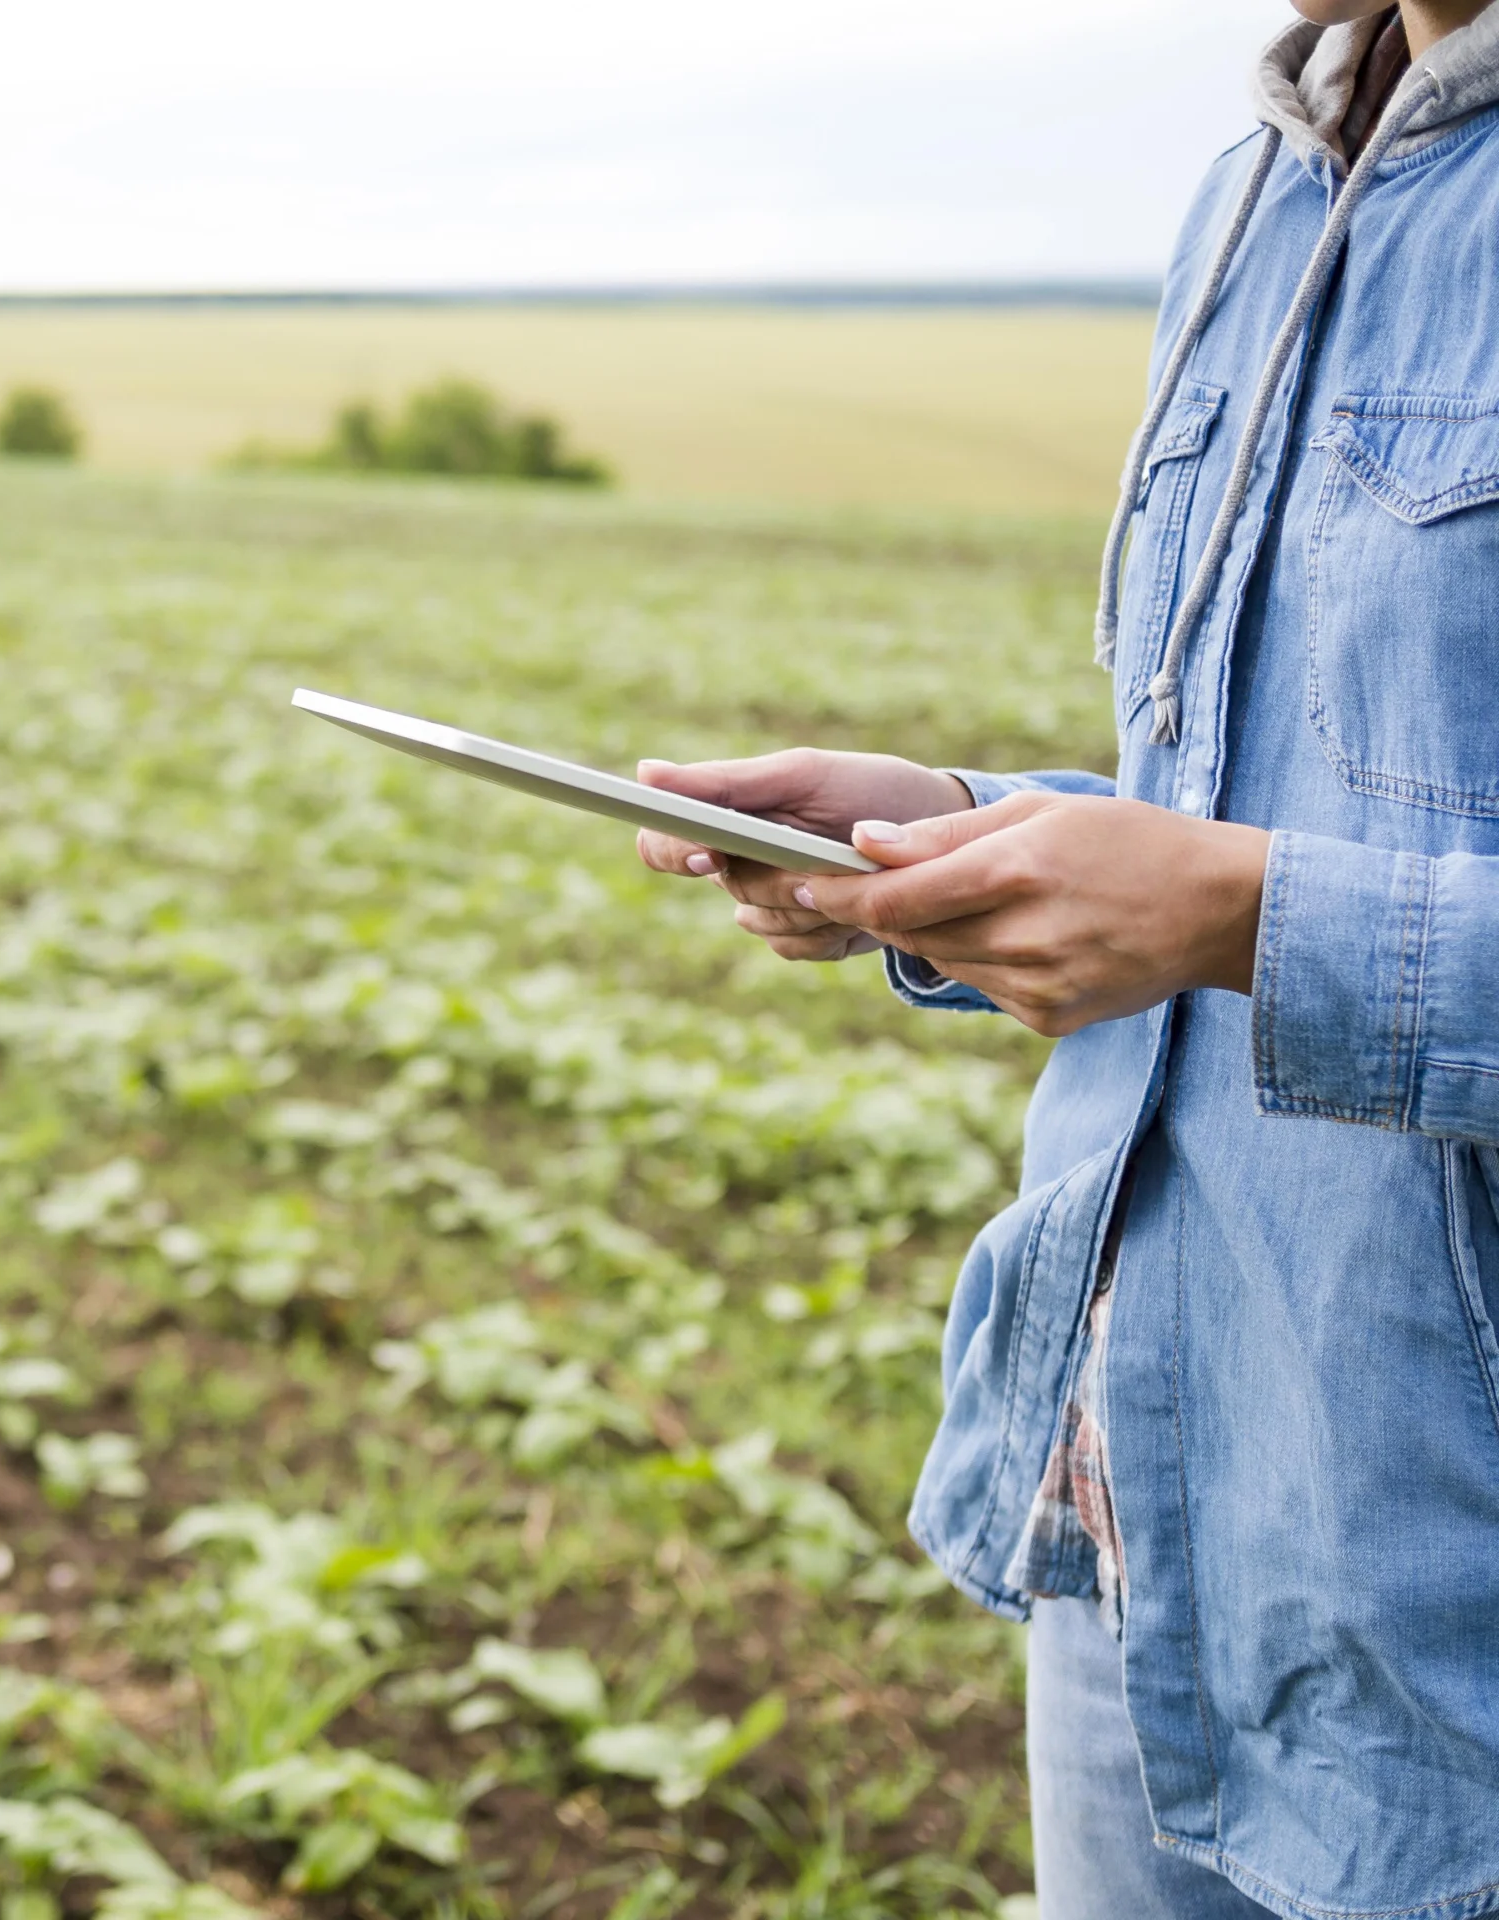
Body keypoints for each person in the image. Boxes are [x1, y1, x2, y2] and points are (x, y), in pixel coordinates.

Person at [634, 4, 1499, 1915]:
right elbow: (1279, 793)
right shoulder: (1260, 189)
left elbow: (1259, 881)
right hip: (1157, 1492)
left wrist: (1243, 916)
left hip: (1453, 1582)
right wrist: (952, 824)